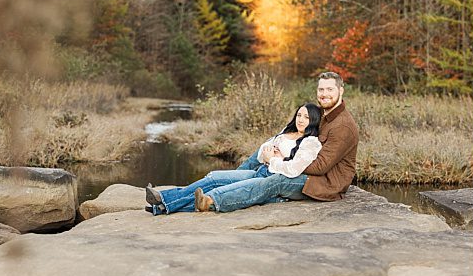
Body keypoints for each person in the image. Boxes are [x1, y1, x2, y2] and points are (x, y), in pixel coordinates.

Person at [193, 72, 360, 213]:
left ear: (341, 90)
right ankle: (235, 183)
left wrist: (282, 160)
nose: (324, 94)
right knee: (258, 156)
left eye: (330, 89)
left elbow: (320, 166)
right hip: (308, 170)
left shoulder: (342, 125)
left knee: (276, 181)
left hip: (324, 182)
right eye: (321, 89)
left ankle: (213, 201)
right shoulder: (324, 114)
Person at [145, 103, 323, 215]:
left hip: (270, 179)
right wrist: (267, 153)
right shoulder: (287, 131)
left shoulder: (311, 143)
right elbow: (261, 154)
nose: (301, 119)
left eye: (306, 117)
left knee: (225, 191)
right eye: (299, 115)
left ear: (314, 121)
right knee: (214, 179)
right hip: (260, 171)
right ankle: (162, 200)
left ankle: (163, 203)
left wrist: (276, 159)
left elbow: (294, 169)